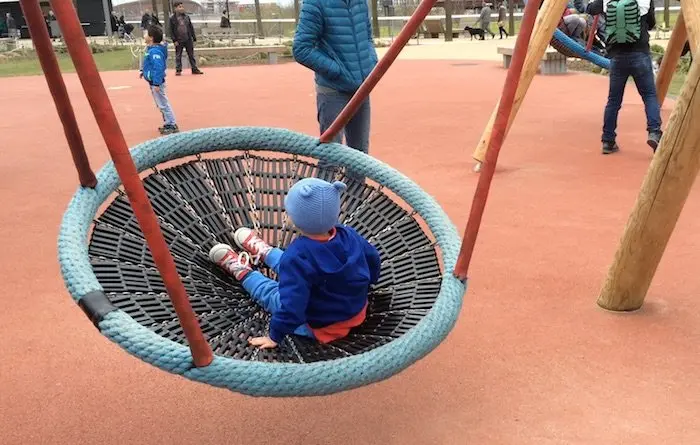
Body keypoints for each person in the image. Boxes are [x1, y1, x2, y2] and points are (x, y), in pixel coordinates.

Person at [209, 178, 381, 349]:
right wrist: (368, 283)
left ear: (294, 220)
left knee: (273, 294)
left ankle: (244, 271)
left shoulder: (297, 255)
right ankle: (264, 252)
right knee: (293, 266)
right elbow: (373, 258)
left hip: (322, 326)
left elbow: (292, 307)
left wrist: (274, 336)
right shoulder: (348, 234)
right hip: (356, 310)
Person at [292, 0, 378, 180]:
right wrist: (336, 71)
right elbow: (301, 48)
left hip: (361, 89)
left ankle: (354, 206)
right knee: (330, 157)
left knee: (359, 157)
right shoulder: (316, 3)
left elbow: (367, 36)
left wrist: (371, 63)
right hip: (333, 91)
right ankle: (322, 206)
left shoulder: (360, 2)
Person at [585, 0, 662, 154]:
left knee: (613, 101)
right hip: (640, 53)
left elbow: (590, 9)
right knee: (649, 96)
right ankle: (654, 132)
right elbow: (651, 22)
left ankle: (608, 140)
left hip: (617, 56)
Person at [140, 25, 179, 135]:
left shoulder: (155, 52)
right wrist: (143, 72)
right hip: (152, 81)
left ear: (151, 38)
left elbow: (158, 67)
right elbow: (149, 65)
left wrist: (157, 83)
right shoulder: (151, 49)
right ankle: (167, 122)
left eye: (146, 34)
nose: (144, 35)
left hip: (156, 82)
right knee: (160, 103)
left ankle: (171, 123)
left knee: (163, 103)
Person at [168, 1, 203, 76]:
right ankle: (178, 70)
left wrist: (194, 37)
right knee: (178, 55)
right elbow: (171, 30)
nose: (181, 8)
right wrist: (174, 40)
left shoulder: (186, 17)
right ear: (175, 8)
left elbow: (190, 27)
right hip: (178, 39)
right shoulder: (172, 18)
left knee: (191, 55)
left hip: (188, 38)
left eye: (182, 7)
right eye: (179, 7)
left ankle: (194, 69)